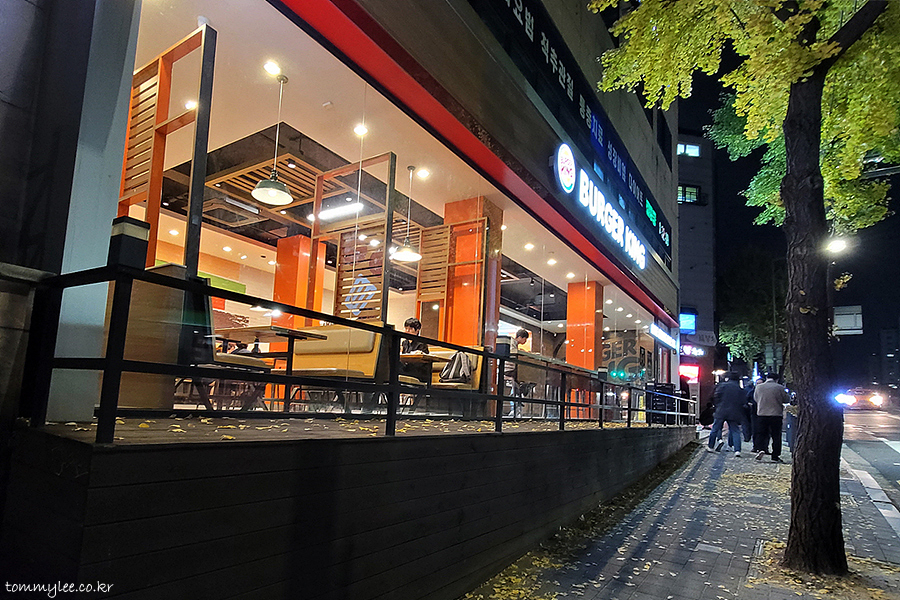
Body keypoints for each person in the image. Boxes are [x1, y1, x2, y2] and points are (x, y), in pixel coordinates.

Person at [707, 371, 749, 457]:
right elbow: (743, 401)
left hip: (721, 410)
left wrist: (717, 405)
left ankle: (711, 446)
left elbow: (716, 396)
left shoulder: (722, 386)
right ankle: (737, 450)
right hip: (734, 412)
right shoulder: (740, 389)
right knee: (735, 430)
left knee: (715, 428)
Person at [753, 372, 790, 463]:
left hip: (762, 413)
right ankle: (775, 455)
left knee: (761, 433)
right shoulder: (779, 388)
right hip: (776, 414)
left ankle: (761, 448)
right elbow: (786, 399)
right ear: (776, 379)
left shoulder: (759, 387)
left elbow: (755, 398)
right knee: (776, 435)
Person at [399, 317, 430, 383]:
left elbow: (422, 362)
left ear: (417, 330)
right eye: (406, 328)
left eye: (410, 329)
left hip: (418, 372)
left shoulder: (422, 343)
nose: (407, 331)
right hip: (407, 369)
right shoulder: (404, 343)